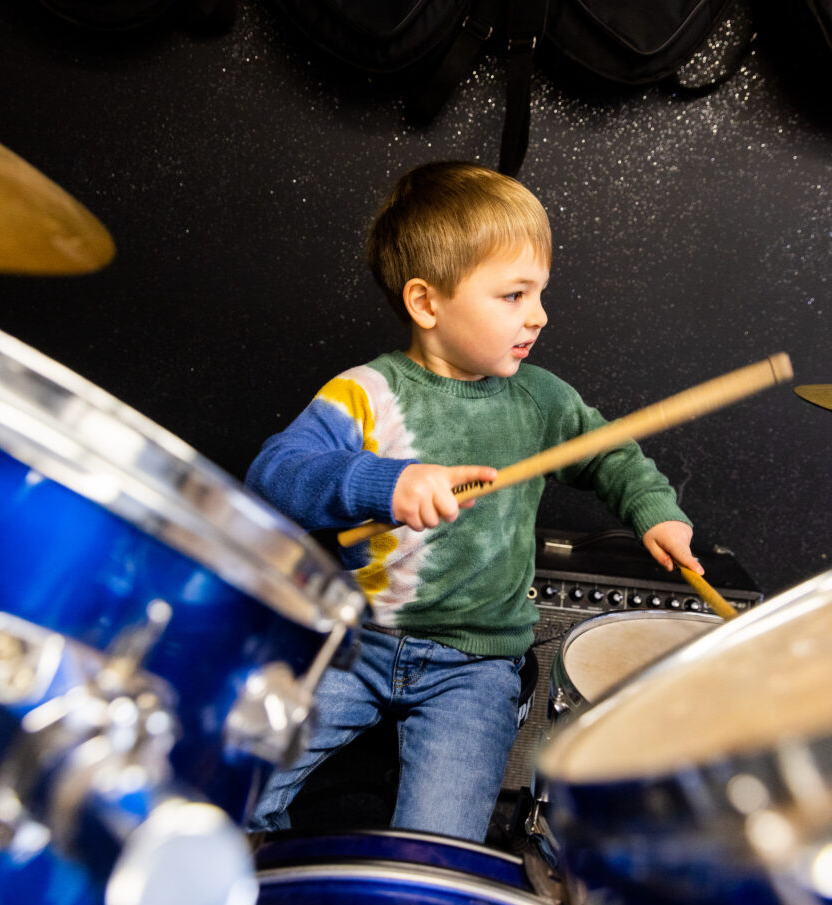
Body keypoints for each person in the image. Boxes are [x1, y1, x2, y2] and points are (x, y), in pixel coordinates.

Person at [244, 161, 703, 843]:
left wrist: (654, 511)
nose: (539, 315)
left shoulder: (542, 399)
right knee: (234, 787)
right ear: (427, 304)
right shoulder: (364, 394)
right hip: (355, 644)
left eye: (541, 293)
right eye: (514, 295)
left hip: (477, 664)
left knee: (438, 851)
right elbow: (274, 472)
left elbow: (612, 452)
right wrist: (387, 484)